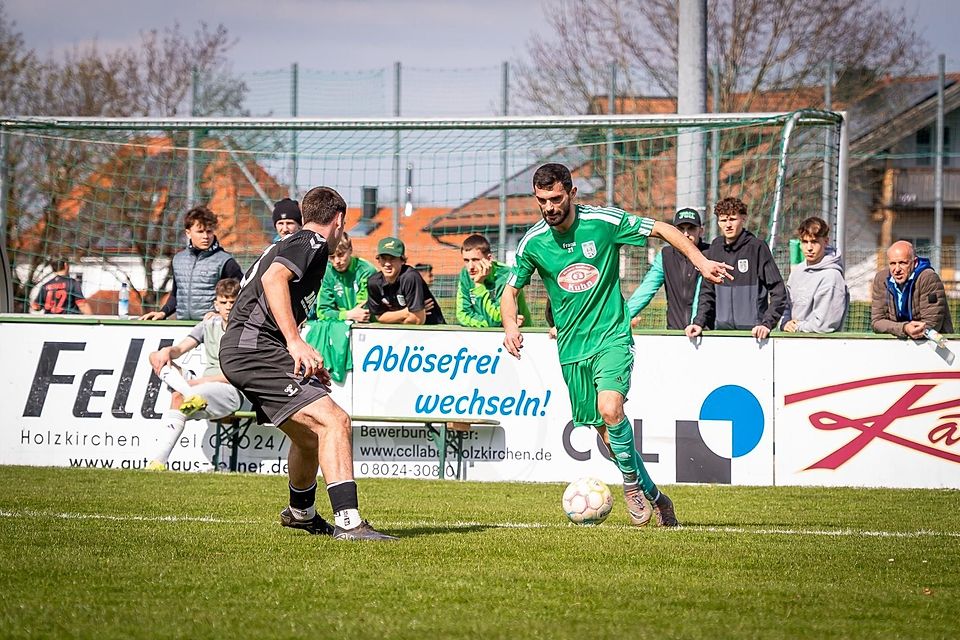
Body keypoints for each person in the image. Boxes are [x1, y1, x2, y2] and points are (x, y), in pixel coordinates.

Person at [501, 163, 733, 528]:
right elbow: (510, 290)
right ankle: (657, 497)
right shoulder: (533, 243)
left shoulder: (603, 222)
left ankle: (630, 487)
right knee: (610, 438)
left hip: (612, 335)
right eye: (542, 200)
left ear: (572, 194)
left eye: (556, 198)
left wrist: (701, 261)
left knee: (611, 408)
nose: (549, 207)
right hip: (572, 350)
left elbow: (662, 229)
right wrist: (509, 325)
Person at [219, 185, 395, 541]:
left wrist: (300, 355)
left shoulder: (289, 244)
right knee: (335, 421)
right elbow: (273, 279)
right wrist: (295, 342)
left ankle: (301, 512)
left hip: (249, 349)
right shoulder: (310, 242)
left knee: (310, 436)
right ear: (340, 220)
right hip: (254, 350)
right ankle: (349, 522)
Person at [146, 278, 243, 470]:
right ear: (216, 304)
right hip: (201, 386)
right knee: (155, 357)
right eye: (223, 302)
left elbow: (237, 375)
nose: (228, 307)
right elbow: (181, 348)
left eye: (232, 302)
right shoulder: (209, 323)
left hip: (232, 390)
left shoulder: (246, 328)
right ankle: (158, 462)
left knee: (180, 394)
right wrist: (167, 351)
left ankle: (158, 461)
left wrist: (198, 382)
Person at [685, 197, 786, 341]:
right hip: (722, 334)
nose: (728, 225)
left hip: (754, 335)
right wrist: (699, 322)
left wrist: (767, 324)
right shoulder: (715, 248)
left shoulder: (756, 247)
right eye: (723, 220)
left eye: (732, 219)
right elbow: (707, 293)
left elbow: (778, 291)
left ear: (743, 218)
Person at [139, 206, 244, 321]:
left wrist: (221, 316)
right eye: (200, 231)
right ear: (188, 233)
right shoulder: (178, 259)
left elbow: (243, 295)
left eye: (209, 231)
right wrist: (163, 312)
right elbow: (176, 294)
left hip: (213, 327)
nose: (205, 236)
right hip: (183, 326)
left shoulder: (226, 261)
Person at [626, 207, 710, 329]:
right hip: (674, 330)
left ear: (701, 231)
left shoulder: (710, 253)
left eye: (691, 228)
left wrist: (696, 323)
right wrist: (624, 318)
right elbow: (647, 288)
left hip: (706, 331)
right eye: (681, 229)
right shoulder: (665, 255)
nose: (686, 234)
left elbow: (705, 294)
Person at [871, 240, 954, 338]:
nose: (897, 269)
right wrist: (904, 328)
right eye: (893, 263)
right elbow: (877, 322)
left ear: (914, 263)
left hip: (935, 344)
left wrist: (908, 330)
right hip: (897, 343)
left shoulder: (928, 278)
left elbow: (932, 323)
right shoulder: (881, 279)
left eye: (902, 263)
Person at [781, 217, 848, 333]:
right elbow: (786, 304)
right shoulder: (797, 271)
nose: (809, 248)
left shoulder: (832, 276)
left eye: (814, 242)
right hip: (792, 341)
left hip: (820, 345)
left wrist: (797, 327)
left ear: (826, 242)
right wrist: (785, 323)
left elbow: (824, 325)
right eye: (805, 242)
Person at [456, 233, 530, 328]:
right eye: (466, 260)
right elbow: (462, 315)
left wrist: (479, 285)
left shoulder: (505, 276)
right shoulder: (465, 274)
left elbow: (495, 320)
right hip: (482, 333)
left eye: (475, 260)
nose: (470, 267)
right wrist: (485, 324)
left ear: (489, 258)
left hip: (520, 333)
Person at [367, 237, 446, 325]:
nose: (387, 264)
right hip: (402, 333)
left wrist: (393, 318)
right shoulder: (373, 283)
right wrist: (407, 311)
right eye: (383, 258)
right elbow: (380, 317)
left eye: (392, 258)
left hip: (433, 330)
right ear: (378, 260)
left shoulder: (410, 277)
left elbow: (417, 320)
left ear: (402, 260)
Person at [312, 232, 376, 322]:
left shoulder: (366, 270)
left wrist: (339, 314)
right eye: (332, 257)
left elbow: (362, 310)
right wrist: (347, 315)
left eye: (341, 254)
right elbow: (323, 312)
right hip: (340, 327)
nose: (337, 261)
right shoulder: (327, 272)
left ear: (350, 250)